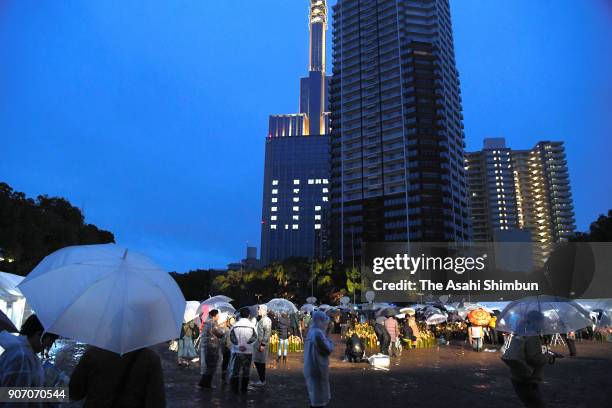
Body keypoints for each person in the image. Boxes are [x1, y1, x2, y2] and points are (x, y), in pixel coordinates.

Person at [70, 346, 165, 407]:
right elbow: (157, 402)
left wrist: (55, 393)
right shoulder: (151, 359)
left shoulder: (93, 353)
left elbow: (74, 393)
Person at [502, 311, 550, 408]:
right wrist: (547, 357)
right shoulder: (532, 336)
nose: (543, 323)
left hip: (517, 374)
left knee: (528, 403)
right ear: (536, 322)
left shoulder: (520, 333)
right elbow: (534, 359)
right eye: (542, 321)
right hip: (528, 377)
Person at [0, 315, 57, 389]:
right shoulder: (23, 357)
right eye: (50, 340)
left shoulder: (22, 352)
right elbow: (14, 397)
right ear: (39, 334)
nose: (50, 345)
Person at [304, 311, 334, 408]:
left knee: (314, 395)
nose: (325, 324)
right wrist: (329, 339)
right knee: (318, 398)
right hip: (317, 367)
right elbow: (328, 348)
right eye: (324, 321)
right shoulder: (318, 333)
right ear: (320, 321)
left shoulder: (311, 331)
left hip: (312, 366)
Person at [228, 308, 257, 394]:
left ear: (240, 315)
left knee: (235, 371)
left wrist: (238, 346)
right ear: (249, 315)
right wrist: (246, 346)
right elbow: (255, 337)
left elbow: (232, 337)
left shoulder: (235, 325)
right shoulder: (252, 326)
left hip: (236, 352)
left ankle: (235, 390)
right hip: (248, 352)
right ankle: (244, 390)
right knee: (246, 371)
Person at [198, 309, 224, 389]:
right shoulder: (213, 323)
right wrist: (223, 329)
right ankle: (205, 383)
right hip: (211, 347)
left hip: (206, 346)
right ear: (214, 316)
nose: (218, 317)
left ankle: (204, 383)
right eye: (218, 315)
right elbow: (220, 333)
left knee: (207, 366)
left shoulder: (206, 322)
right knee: (211, 366)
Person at [253, 305, 272, 386]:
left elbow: (267, 333)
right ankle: (261, 379)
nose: (258, 311)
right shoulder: (260, 319)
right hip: (257, 344)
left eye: (259, 309)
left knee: (261, 362)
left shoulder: (266, 320)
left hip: (261, 344)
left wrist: (263, 344)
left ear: (264, 310)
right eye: (258, 309)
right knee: (257, 361)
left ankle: (262, 380)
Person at [220, 315, 235, 384]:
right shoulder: (226, 329)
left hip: (232, 347)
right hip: (226, 347)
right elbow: (223, 339)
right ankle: (224, 375)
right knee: (226, 361)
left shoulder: (234, 328)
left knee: (230, 362)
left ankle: (228, 376)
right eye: (231, 320)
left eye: (233, 320)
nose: (232, 321)